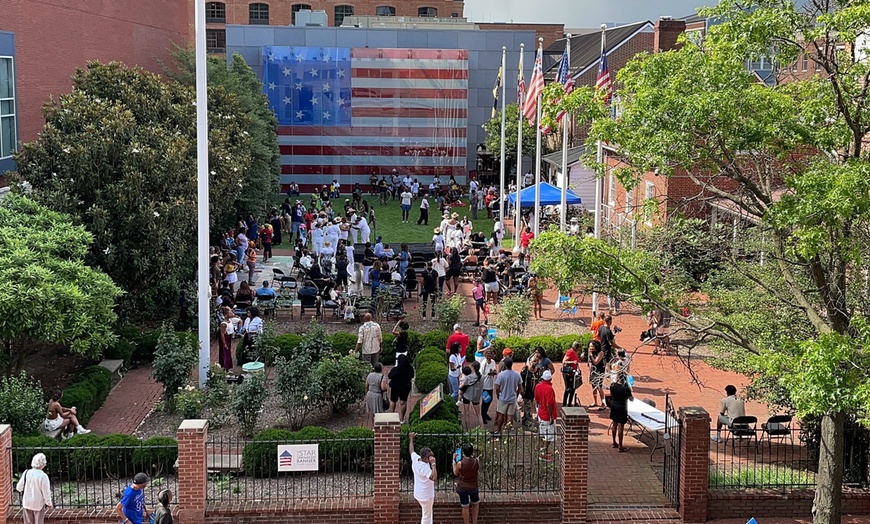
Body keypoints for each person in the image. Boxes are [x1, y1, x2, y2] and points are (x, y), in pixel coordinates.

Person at [409, 432, 437, 524]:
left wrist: (411, 439)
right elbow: (434, 477)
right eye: (430, 457)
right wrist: (433, 464)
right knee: (426, 515)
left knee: (428, 513)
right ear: (425, 458)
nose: (432, 458)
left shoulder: (416, 459)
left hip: (419, 493)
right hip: (426, 496)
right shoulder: (424, 468)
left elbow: (411, 450)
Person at [16, 453, 52, 524]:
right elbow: (46, 493)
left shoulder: (26, 473)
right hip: (38, 504)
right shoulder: (43, 476)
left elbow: (19, 488)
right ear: (43, 464)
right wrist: (49, 503)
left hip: (27, 503)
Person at [493, 357, 523, 435]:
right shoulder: (517, 374)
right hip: (512, 398)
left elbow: (497, 387)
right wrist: (516, 395)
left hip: (503, 398)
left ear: (505, 365)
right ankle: (508, 432)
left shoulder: (501, 375)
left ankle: (498, 430)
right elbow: (520, 387)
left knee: (501, 414)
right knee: (510, 416)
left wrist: (498, 395)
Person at [453, 443, 480, 524]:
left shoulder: (460, 463)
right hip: (473, 486)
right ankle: (474, 522)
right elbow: (477, 470)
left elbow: (455, 473)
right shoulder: (476, 461)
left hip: (463, 487)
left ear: (463, 452)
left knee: (465, 506)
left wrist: (453, 461)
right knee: (475, 504)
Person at [535, 370, 559, 460]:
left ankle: (539, 449)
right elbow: (549, 404)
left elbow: (537, 399)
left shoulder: (538, 386)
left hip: (541, 413)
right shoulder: (549, 389)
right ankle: (543, 452)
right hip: (547, 415)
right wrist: (551, 416)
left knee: (542, 433)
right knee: (549, 436)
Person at [609, 374, 634, 452]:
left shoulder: (613, 385)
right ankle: (620, 446)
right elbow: (631, 399)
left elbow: (611, 395)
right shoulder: (625, 388)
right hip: (622, 407)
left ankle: (614, 442)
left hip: (614, 406)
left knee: (614, 424)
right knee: (620, 426)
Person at [388, 354, 415, 424]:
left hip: (395, 387)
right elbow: (412, 375)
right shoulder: (409, 370)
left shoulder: (395, 370)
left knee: (393, 401)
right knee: (403, 402)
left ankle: (391, 417)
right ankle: (402, 419)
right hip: (405, 387)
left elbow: (389, 376)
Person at [460, 362, 484, 430]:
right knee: (479, 414)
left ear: (473, 367)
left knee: (467, 414)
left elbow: (463, 386)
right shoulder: (482, 377)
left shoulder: (469, 377)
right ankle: (483, 430)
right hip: (476, 397)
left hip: (467, 396)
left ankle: (468, 431)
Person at [561, 341, 583, 407]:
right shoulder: (570, 352)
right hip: (567, 372)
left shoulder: (575, 353)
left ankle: (570, 403)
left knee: (573, 388)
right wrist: (572, 362)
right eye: (579, 347)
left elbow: (577, 361)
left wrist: (580, 358)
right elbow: (564, 361)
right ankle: (564, 403)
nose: (580, 349)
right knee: (567, 388)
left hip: (573, 372)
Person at [588, 340, 606, 411]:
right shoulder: (591, 352)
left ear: (596, 346)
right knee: (593, 386)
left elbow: (596, 362)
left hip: (599, 371)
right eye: (589, 346)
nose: (590, 348)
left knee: (599, 387)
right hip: (593, 371)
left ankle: (603, 403)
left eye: (592, 346)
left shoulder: (600, 353)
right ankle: (595, 402)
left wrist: (591, 356)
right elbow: (590, 362)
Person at [480, 348, 497, 424]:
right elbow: (481, 374)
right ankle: (482, 415)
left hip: (490, 383)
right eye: (490, 355)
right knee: (485, 400)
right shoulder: (484, 363)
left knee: (490, 399)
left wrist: (494, 372)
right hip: (484, 384)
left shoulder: (493, 362)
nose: (491, 356)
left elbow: (494, 369)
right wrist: (488, 374)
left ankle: (485, 412)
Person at [218, 306, 236, 371]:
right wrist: (224, 344)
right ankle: (225, 368)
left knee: (228, 353)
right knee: (225, 353)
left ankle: (227, 368)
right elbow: (222, 334)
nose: (232, 313)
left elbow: (233, 314)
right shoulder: (223, 324)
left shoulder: (230, 320)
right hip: (225, 338)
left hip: (229, 338)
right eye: (230, 313)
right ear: (226, 315)